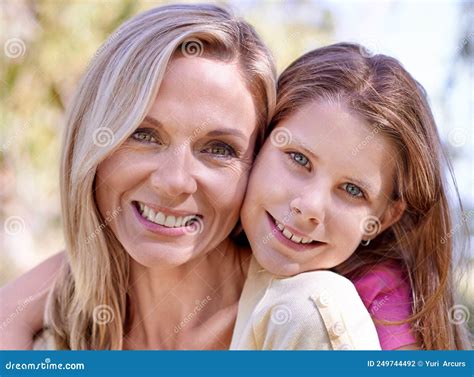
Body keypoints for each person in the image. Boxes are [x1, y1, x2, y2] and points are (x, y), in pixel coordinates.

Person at [0, 3, 277, 350]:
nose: (175, 181)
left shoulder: (302, 322)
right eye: (143, 135)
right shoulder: (51, 339)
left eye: (219, 149)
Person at [230, 43, 471, 350]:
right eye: (299, 159)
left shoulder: (376, 305)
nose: (310, 207)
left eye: (352, 190)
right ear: (260, 140)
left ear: (383, 218)